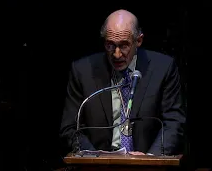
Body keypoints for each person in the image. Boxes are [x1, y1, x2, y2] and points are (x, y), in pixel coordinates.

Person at [59, 9, 186, 156]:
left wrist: (151, 159)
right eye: (110, 45)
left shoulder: (163, 68)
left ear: (138, 41)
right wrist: (95, 158)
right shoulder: (83, 71)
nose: (117, 54)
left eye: (124, 45)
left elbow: (173, 123)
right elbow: (70, 128)